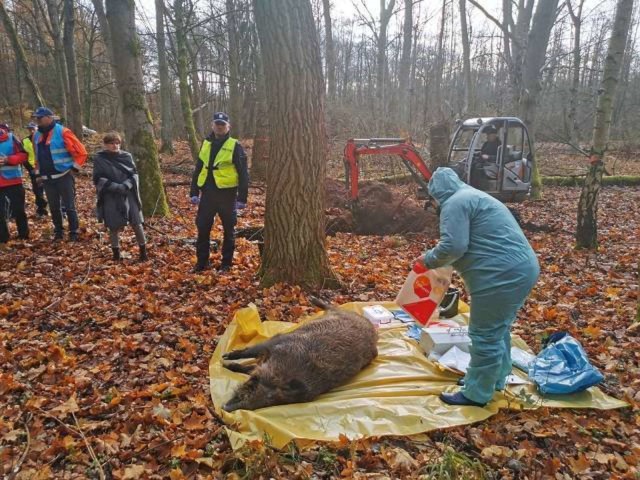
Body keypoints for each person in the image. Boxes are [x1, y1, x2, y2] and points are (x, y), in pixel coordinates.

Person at [415, 167, 539, 407]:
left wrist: (426, 260)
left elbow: (454, 246)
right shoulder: (473, 195)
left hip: (500, 274)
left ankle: (476, 393)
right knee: (497, 330)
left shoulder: (454, 203)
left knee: (484, 334)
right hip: (519, 268)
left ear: (436, 193)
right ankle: (494, 379)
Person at [190, 112, 249, 272]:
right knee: (202, 228)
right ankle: (202, 263)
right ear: (212, 125)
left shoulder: (234, 145)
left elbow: (243, 173)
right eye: (217, 124)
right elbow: (199, 168)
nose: (220, 127)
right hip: (207, 194)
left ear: (228, 126)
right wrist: (193, 191)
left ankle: (226, 264)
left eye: (223, 124)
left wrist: (242, 197)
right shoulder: (206, 143)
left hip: (227, 195)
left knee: (229, 230)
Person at [32, 106, 87, 241]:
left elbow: (82, 153)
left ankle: (73, 232)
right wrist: (38, 175)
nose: (37, 120)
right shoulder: (36, 135)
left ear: (50, 118)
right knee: (54, 207)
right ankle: (58, 232)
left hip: (64, 176)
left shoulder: (63, 132)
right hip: (47, 178)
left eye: (40, 117)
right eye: (36, 118)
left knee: (69, 206)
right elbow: (37, 157)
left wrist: (73, 170)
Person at [93, 132, 147, 262]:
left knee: (137, 223)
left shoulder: (127, 156)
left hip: (128, 193)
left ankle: (143, 252)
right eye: (111, 143)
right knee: (113, 225)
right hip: (110, 194)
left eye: (117, 143)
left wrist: (127, 185)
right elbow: (98, 178)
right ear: (105, 144)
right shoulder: (100, 158)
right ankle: (116, 254)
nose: (115, 146)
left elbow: (134, 174)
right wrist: (115, 187)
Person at [0, 123, 29, 243]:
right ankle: (2, 238)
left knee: (19, 210)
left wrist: (8, 159)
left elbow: (24, 155)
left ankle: (23, 234)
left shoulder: (12, 138)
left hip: (13, 181)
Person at [21, 122, 48, 216]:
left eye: (33, 129)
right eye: (30, 129)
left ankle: (58, 210)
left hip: (46, 167)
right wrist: (29, 168)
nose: (32, 131)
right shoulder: (24, 141)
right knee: (37, 190)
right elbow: (23, 157)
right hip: (33, 169)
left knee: (49, 189)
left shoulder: (44, 138)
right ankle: (41, 209)